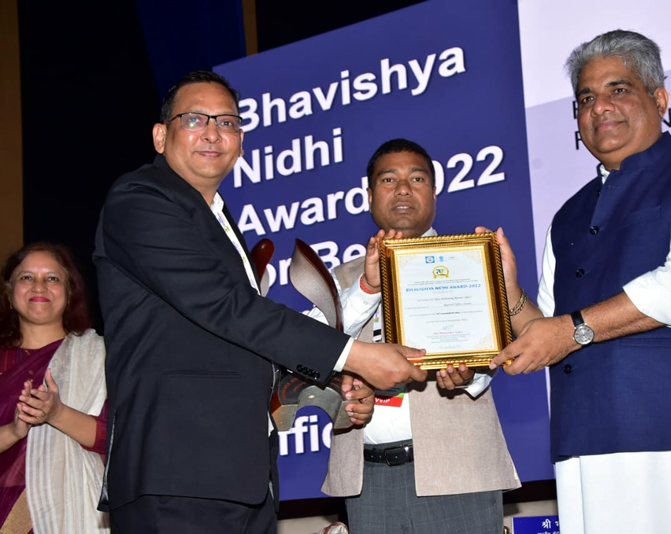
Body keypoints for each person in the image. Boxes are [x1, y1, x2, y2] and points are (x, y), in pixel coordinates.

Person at [93, 71, 426, 534]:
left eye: (228, 122)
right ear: (160, 134)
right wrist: (357, 355)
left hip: (242, 478)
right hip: (177, 477)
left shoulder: (219, 218)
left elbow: (240, 344)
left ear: (241, 142)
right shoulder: (141, 198)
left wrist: (332, 381)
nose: (213, 132)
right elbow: (225, 308)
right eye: (195, 119)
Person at [489, 30, 671, 533]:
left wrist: (570, 330)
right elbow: (549, 331)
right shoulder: (567, 216)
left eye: (618, 90)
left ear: (659, 99)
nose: (599, 107)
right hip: (587, 448)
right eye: (585, 98)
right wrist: (509, 292)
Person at [315, 139, 519, 534]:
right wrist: (365, 290)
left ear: (434, 193)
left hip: (459, 474)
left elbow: (496, 350)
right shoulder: (341, 280)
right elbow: (313, 355)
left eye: (417, 178)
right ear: (370, 196)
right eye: (389, 179)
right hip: (368, 481)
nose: (404, 189)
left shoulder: (469, 261)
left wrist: (470, 374)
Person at [0, 242, 109, 534]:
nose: (39, 286)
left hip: (71, 512)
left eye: (52, 278)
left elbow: (118, 438)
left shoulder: (99, 357)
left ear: (70, 292)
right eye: (26, 277)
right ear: (9, 291)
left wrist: (57, 413)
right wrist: (12, 431)